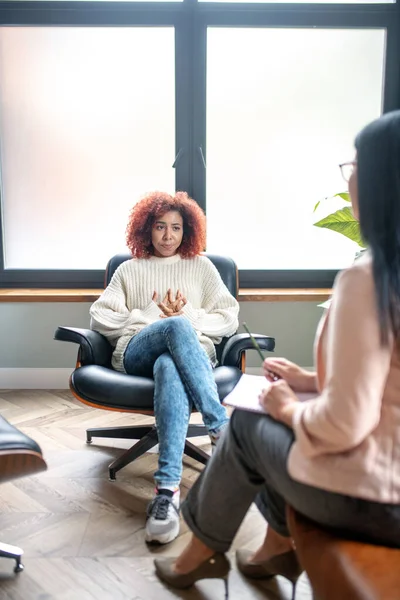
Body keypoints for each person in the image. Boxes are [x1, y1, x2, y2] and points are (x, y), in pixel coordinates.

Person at [154, 110, 400, 599]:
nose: (349, 181)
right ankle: (270, 547)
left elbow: (345, 424)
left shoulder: (367, 280)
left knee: (250, 421)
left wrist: (288, 405)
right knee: (175, 357)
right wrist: (310, 382)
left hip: (378, 499)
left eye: (354, 169)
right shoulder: (385, 276)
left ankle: (197, 552)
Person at [89, 191, 239, 545]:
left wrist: (186, 317)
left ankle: (167, 493)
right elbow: (100, 315)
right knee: (174, 327)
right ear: (147, 229)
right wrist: (154, 317)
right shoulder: (129, 269)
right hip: (136, 353)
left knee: (170, 362)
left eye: (176, 228)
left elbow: (228, 317)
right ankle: (219, 425)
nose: (168, 236)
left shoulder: (202, 267)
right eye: (160, 227)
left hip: (188, 357)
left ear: (187, 232)